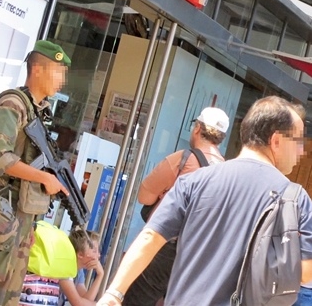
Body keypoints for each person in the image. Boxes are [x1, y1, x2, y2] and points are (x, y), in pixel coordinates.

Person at [97, 96, 312, 306]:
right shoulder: (295, 199)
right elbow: (305, 272)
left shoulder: (195, 181)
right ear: (275, 141)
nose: (301, 151)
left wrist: (115, 293)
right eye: (298, 141)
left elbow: (150, 237)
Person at [0, 40, 71, 306]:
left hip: (22, 220)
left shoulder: (38, 112)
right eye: (57, 72)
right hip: (5, 213)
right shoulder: (13, 105)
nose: (61, 81)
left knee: (7, 297)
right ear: (38, 70)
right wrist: (44, 178)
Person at [123, 107, 230, 306]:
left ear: (197, 128)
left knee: (134, 298)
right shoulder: (228, 173)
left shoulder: (184, 159)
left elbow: (144, 196)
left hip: (164, 246)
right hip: (197, 257)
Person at [58, 230, 104, 306]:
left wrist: (100, 275)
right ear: (80, 254)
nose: (98, 255)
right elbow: (78, 303)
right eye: (94, 251)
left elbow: (86, 300)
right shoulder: (65, 268)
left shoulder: (79, 271)